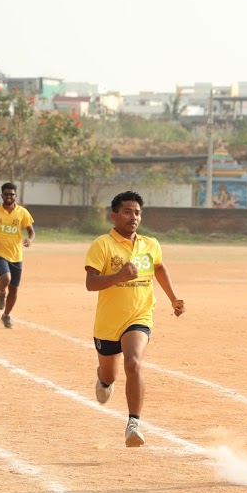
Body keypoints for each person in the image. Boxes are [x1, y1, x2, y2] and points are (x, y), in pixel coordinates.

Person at [84, 191, 185, 448]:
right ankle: (105, 379)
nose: (134, 217)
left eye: (137, 212)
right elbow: (91, 283)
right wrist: (119, 276)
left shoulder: (150, 244)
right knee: (111, 375)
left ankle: (133, 424)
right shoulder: (102, 245)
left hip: (139, 315)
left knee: (133, 362)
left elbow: (159, 268)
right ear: (114, 215)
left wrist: (173, 298)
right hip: (108, 323)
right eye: (128, 211)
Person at [0, 182, 35, 329]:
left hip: (16, 255)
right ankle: (1, 292)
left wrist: (29, 240)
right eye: (6, 194)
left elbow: (31, 231)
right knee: (5, 278)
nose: (9, 196)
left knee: (14, 289)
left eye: (11, 194)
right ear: (2, 195)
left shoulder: (22, 212)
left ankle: (6, 315)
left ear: (15, 195)